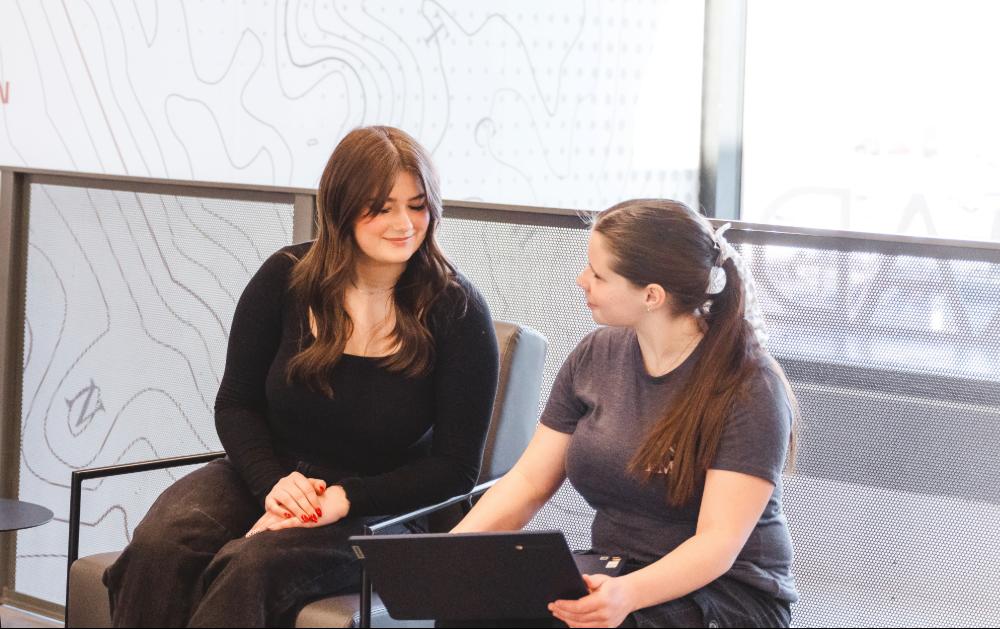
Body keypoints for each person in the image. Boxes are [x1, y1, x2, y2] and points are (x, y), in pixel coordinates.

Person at [103, 126, 500, 627]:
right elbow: (237, 402)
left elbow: (456, 468)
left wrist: (341, 499)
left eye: (417, 205)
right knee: (164, 542)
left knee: (249, 564)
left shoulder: (457, 310)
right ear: (341, 207)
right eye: (381, 207)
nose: (404, 223)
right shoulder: (285, 277)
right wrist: (273, 482)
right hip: (277, 473)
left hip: (384, 505)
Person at [451, 199, 798, 628]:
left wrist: (627, 596)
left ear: (652, 295)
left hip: (728, 592)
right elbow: (527, 483)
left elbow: (718, 542)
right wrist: (448, 553)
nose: (582, 281)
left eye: (599, 275)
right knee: (469, 613)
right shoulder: (596, 355)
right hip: (616, 569)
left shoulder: (749, 385)